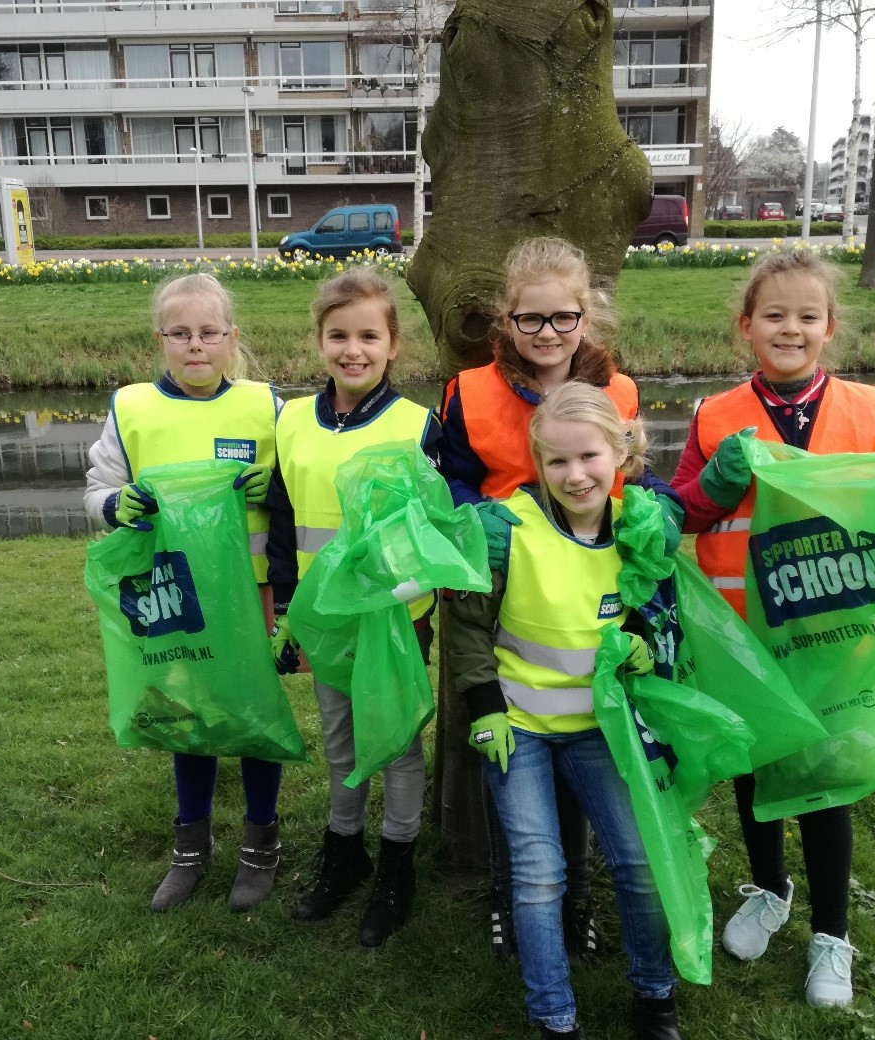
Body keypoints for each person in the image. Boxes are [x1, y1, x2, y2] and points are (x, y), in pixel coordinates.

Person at [670, 248, 875, 1008]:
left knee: (824, 782)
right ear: (746, 327)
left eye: (807, 316)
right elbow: (683, 512)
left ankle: (831, 935)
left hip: (835, 637)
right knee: (755, 769)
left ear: (828, 327)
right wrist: (710, 485)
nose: (790, 328)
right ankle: (769, 888)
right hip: (742, 638)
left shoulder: (873, 411)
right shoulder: (714, 415)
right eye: (773, 315)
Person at [439, 236, 679, 962]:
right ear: (505, 321)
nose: (547, 334)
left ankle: (576, 901)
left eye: (563, 318)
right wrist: (476, 529)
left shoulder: (623, 391)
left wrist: (654, 511)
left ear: (587, 316)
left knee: (587, 738)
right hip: (501, 585)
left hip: (588, 586)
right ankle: (512, 895)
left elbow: (630, 481)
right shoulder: (467, 390)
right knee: (507, 740)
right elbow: (447, 478)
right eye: (531, 319)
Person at [448, 381, 684, 1040]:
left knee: (637, 863)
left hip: (596, 731)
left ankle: (654, 996)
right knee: (538, 873)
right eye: (556, 462)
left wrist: (641, 632)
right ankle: (553, 1017)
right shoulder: (506, 529)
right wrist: (484, 708)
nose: (574, 475)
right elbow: (467, 628)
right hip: (516, 730)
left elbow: (653, 602)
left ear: (619, 452)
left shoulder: (638, 527)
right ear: (537, 463)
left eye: (588, 457)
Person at [83, 272, 286, 914]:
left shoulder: (265, 405)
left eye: (209, 333)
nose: (195, 346)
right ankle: (190, 849)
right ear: (160, 339)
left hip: (247, 590)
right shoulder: (132, 406)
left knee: (252, 711)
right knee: (185, 713)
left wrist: (274, 490)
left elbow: (300, 479)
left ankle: (260, 846)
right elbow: (96, 488)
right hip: (169, 589)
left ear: (231, 339)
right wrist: (117, 504)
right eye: (181, 334)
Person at [267, 267, 442, 949]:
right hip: (325, 620)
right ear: (319, 341)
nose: (353, 349)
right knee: (339, 741)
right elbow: (283, 524)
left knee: (394, 742)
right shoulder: (290, 422)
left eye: (368, 335)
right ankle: (344, 851)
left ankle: (396, 862)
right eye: (338, 335)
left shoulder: (418, 427)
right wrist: (288, 612)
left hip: (395, 621)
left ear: (393, 344)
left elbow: (434, 528)